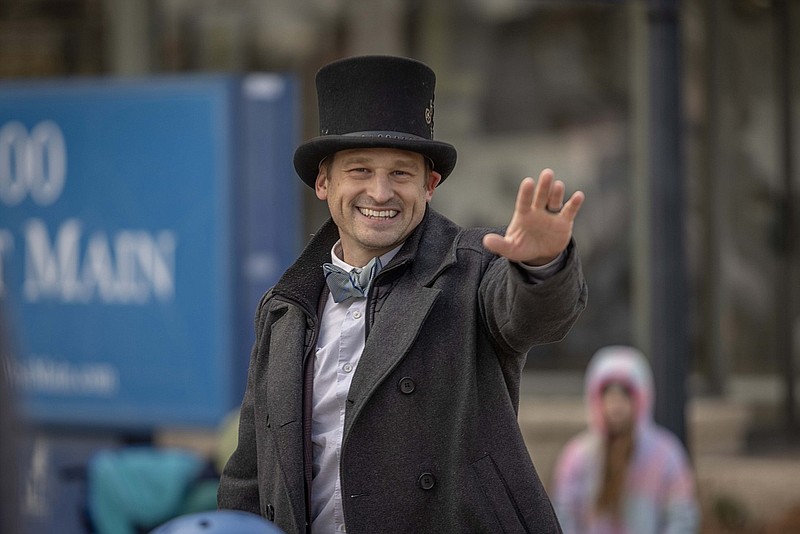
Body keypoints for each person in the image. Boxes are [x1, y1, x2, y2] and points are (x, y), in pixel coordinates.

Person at [218, 54, 588, 533]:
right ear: (323, 182)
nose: (380, 192)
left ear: (429, 185)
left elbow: (532, 314)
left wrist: (541, 265)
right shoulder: (283, 310)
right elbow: (250, 473)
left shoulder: (476, 268)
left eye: (400, 173)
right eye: (359, 171)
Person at [552, 345, 700, 533]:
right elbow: (563, 516)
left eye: (625, 394)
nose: (616, 404)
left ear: (641, 398)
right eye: (608, 394)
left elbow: (681, 518)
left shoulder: (665, 454)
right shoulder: (577, 455)